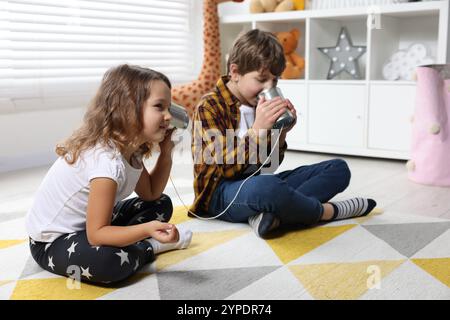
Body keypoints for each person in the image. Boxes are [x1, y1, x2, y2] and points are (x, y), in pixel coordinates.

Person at [190, 29, 376, 238]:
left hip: (258, 183)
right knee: (269, 188)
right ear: (235, 72)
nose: (268, 88)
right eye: (261, 80)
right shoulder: (209, 107)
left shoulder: (258, 106)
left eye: (274, 82)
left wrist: (281, 134)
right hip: (219, 195)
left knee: (338, 168)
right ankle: (326, 212)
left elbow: (268, 168)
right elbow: (226, 169)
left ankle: (270, 215)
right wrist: (257, 130)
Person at [25, 64, 192, 285]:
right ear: (128, 110)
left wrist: (167, 150)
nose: (169, 116)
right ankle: (150, 247)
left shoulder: (131, 148)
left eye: (169, 107)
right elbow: (96, 234)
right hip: (52, 241)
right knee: (109, 262)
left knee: (161, 204)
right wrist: (147, 231)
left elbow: (150, 193)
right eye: (159, 107)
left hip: (89, 226)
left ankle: (132, 242)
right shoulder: (106, 161)